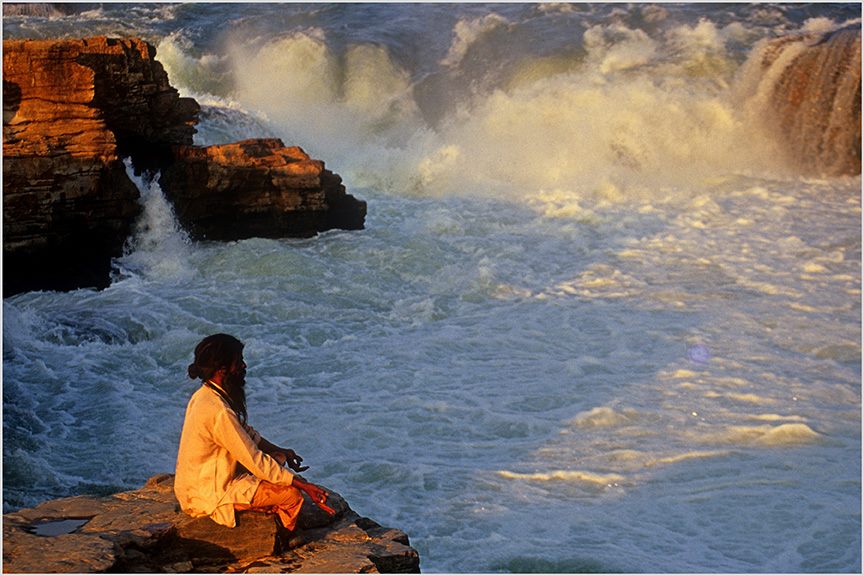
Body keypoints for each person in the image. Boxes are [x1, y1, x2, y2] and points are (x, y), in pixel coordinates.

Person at [174, 333, 334, 536]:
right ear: (223, 370)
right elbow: (254, 459)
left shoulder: (206, 395)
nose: (244, 366)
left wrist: (280, 450)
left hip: (207, 481)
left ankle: (265, 508)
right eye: (238, 362)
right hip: (208, 493)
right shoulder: (217, 410)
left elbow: (248, 435)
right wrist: (304, 485)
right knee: (292, 495)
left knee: (279, 461)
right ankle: (281, 538)